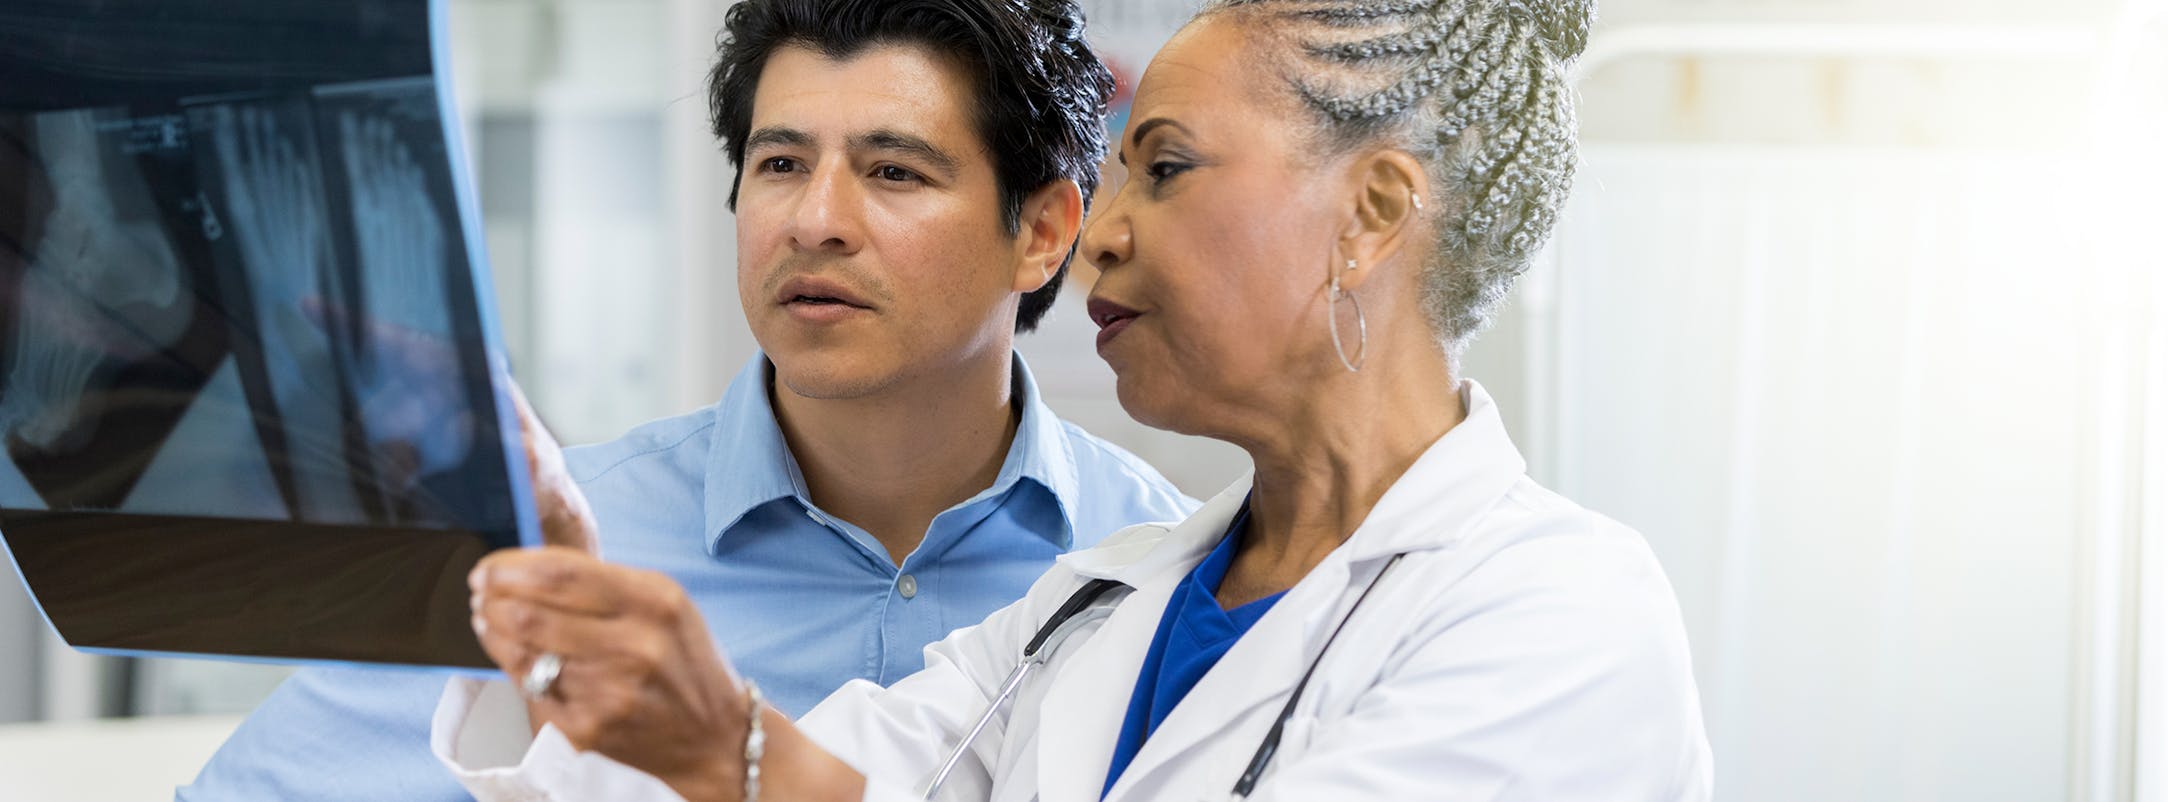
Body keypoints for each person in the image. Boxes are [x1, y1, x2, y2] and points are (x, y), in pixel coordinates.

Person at [442, 0, 1714, 799]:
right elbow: (848, 785)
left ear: (1371, 214)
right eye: (780, 162)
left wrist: (729, 749)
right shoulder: (1100, 602)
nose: (1097, 235)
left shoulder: (1559, 614)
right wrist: (572, 629)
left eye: (1162, 170)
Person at [176, 0, 1195, 798]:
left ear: (1045, 230)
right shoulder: (551, 548)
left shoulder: (1163, 572)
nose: (816, 220)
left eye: (893, 170)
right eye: (782, 163)